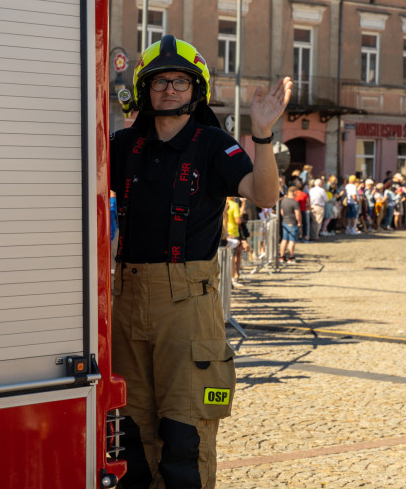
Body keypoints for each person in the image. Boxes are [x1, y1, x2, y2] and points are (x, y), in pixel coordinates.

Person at [110, 34, 289, 488]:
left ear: (197, 90)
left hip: (187, 307)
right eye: (159, 81)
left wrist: (262, 135)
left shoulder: (213, 143)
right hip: (125, 301)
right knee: (130, 436)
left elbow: (265, 195)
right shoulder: (124, 145)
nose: (169, 89)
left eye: (180, 82)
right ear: (145, 89)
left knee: (184, 435)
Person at [279, 186, 302, 265]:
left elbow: (282, 212)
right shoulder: (294, 202)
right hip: (292, 222)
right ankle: (291, 257)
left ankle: (282, 256)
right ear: (294, 192)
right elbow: (297, 214)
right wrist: (299, 222)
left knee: (284, 239)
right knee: (292, 241)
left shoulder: (283, 201)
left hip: (285, 221)